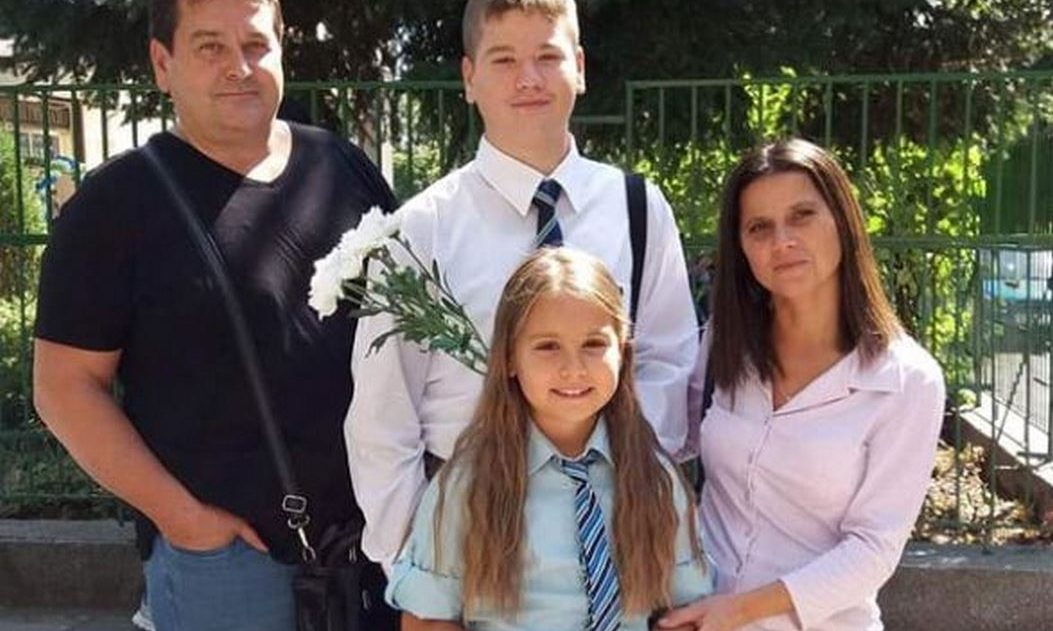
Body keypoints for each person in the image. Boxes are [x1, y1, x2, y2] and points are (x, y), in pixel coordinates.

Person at [32, 1, 397, 630]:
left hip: (373, 545)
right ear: (162, 63)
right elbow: (64, 386)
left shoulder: (340, 166)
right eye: (210, 48)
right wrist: (184, 520)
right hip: (229, 570)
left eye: (255, 45)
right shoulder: (115, 206)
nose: (239, 67)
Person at [346, 0, 698, 570]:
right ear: (469, 78)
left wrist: (613, 477)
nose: (528, 78)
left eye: (547, 57)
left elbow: (668, 365)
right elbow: (383, 417)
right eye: (504, 59)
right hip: (472, 533)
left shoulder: (638, 209)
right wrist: (414, 566)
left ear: (579, 67)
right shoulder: (421, 228)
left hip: (613, 525)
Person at [658, 138, 945, 631]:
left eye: (802, 216)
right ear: (741, 246)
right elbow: (671, 440)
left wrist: (737, 610)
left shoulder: (906, 381)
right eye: (759, 227)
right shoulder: (726, 343)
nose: (782, 241)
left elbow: (873, 550)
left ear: (842, 221)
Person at [386, 247, 712, 630]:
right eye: (547, 347)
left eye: (593, 345)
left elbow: (686, 611)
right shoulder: (469, 484)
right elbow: (426, 619)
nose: (573, 369)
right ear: (509, 358)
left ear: (623, 352)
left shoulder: (655, 479)